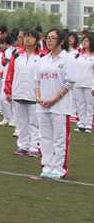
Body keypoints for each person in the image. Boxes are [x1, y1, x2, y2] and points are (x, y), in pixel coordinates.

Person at [34, 29, 79, 180]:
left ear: (61, 41)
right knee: (44, 137)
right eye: (48, 38)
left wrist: (54, 99)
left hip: (60, 106)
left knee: (60, 138)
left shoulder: (68, 59)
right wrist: (39, 97)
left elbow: (70, 82)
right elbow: (36, 81)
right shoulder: (43, 60)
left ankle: (59, 168)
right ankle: (46, 165)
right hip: (42, 105)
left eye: (53, 38)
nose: (49, 40)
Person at [4, 29, 43, 156]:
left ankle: (35, 146)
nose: (27, 39)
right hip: (18, 92)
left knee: (34, 122)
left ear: (37, 40)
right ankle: (23, 145)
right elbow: (10, 73)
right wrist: (8, 90)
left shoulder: (42, 57)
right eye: (26, 37)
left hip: (34, 96)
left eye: (31, 37)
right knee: (21, 122)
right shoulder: (17, 55)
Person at [0, 35, 16, 127]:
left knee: (13, 99)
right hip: (6, 76)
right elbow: (3, 63)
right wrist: (6, 60)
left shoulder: (17, 51)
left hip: (13, 76)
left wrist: (10, 59)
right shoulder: (7, 51)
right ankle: (7, 117)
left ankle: (13, 119)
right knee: (3, 98)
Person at [73, 34, 94, 132]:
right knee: (80, 104)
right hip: (78, 83)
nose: (84, 43)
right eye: (83, 41)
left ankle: (88, 124)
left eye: (86, 41)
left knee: (89, 104)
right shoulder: (78, 55)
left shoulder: (93, 56)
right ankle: (81, 123)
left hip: (89, 83)